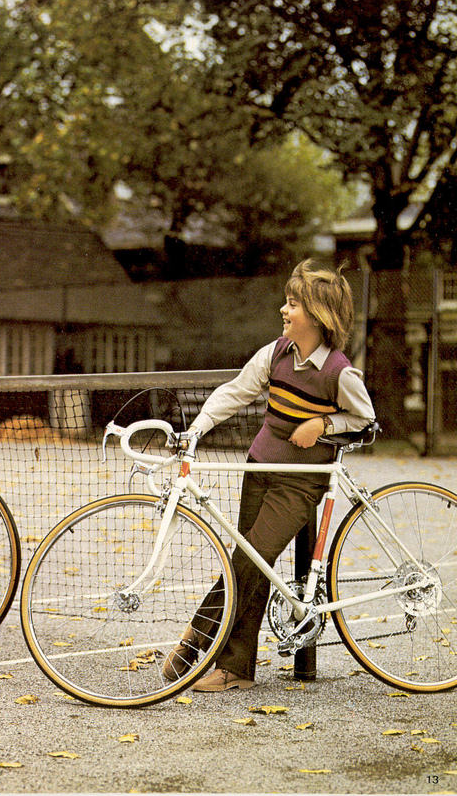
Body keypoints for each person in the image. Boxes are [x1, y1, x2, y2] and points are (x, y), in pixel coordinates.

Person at [162, 259, 375, 692]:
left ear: (317, 317)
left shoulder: (339, 372)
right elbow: (236, 392)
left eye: (293, 305)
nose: (284, 310)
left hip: (299, 482)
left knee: (250, 558)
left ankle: (195, 639)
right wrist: (196, 430)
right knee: (253, 565)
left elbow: (367, 418)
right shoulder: (274, 352)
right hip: (260, 468)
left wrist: (324, 425)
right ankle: (237, 669)